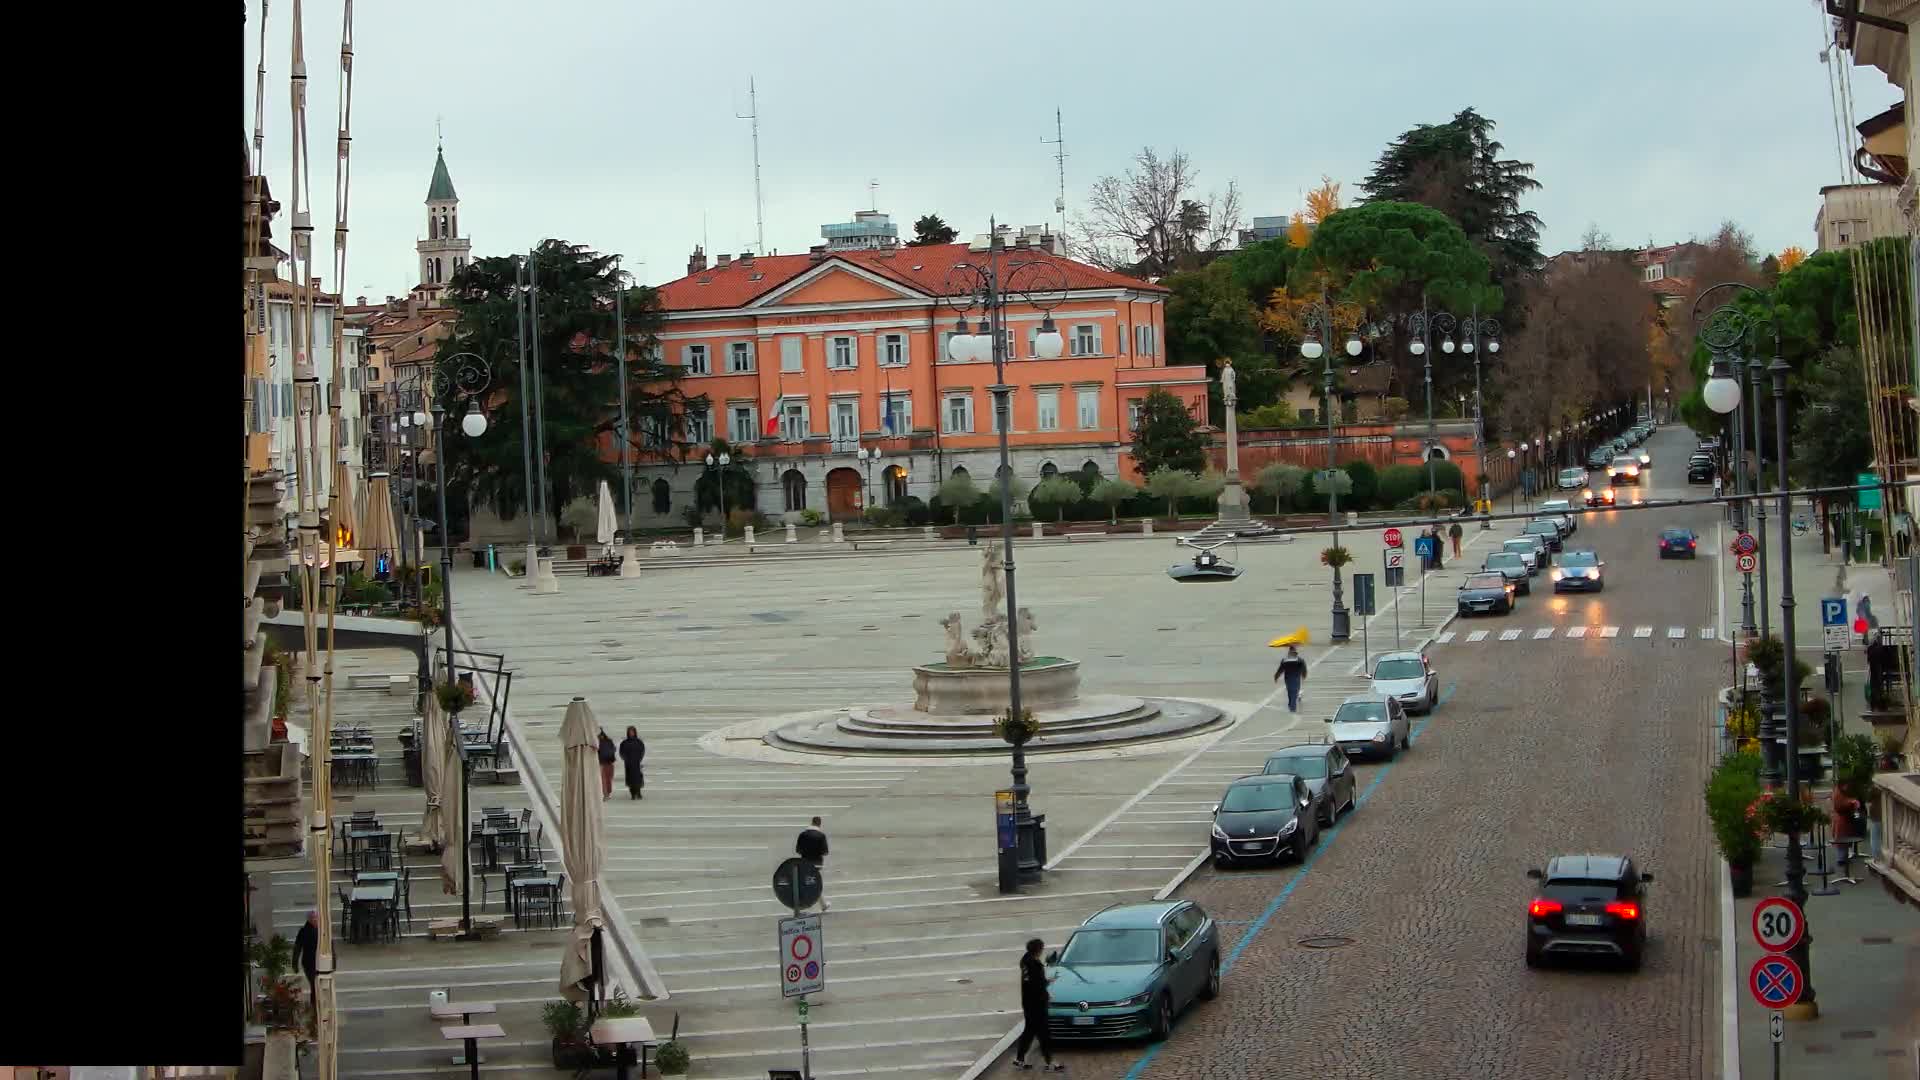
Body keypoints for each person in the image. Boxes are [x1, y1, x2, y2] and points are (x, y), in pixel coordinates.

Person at [1011, 938, 1062, 1072]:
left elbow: (1031, 982)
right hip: (1037, 1004)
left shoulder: (1025, 961)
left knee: (1029, 1031)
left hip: (1028, 1003)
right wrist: (1047, 986)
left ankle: (1019, 1059)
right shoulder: (1035, 964)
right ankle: (1049, 1062)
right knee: (1044, 1033)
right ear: (1039, 950)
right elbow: (1038, 984)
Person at [796, 816, 830, 912]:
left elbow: (798, 850)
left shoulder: (802, 835)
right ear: (819, 824)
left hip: (805, 862)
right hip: (817, 863)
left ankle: (822, 904)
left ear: (812, 822)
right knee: (813, 883)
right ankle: (820, 905)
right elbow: (825, 852)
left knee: (809, 882)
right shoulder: (821, 836)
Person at [293, 910, 320, 1002]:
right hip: (309, 963)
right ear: (309, 920)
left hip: (319, 962)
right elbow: (297, 948)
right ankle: (314, 1005)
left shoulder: (320, 930)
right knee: (314, 985)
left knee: (316, 986)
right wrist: (295, 963)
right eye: (314, 918)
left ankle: (316, 1004)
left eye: (317, 918)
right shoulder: (304, 932)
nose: (316, 920)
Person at [1274, 645, 1308, 713]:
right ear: (1296, 653)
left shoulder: (1284, 660)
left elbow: (1280, 670)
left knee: (1290, 693)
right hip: (1296, 680)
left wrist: (1276, 676)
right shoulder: (1300, 660)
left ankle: (1292, 706)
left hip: (1288, 680)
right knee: (1293, 693)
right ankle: (1292, 708)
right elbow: (1304, 670)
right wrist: (1304, 675)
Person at [618, 726, 646, 800]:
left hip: (637, 763)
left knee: (638, 778)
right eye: (630, 732)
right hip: (628, 764)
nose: (631, 733)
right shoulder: (624, 743)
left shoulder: (639, 742)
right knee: (630, 779)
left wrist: (639, 759)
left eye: (632, 732)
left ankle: (638, 792)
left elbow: (642, 751)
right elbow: (621, 752)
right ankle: (633, 794)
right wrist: (625, 759)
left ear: (635, 732)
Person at [597, 730, 617, 801]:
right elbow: (614, 749)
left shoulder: (598, 742)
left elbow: (614, 749)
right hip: (605, 762)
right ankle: (606, 794)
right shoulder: (608, 741)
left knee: (606, 779)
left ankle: (607, 793)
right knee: (605, 779)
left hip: (605, 762)